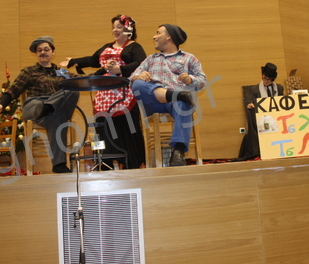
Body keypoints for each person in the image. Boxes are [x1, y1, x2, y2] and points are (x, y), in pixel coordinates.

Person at [60, 15, 147, 169]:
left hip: (124, 95)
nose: (115, 30)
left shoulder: (135, 47)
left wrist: (121, 69)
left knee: (126, 129)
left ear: (128, 29)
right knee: (103, 129)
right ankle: (105, 163)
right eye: (113, 27)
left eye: (119, 27)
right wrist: (73, 61)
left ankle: (131, 164)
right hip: (103, 96)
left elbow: (141, 63)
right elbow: (92, 60)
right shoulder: (106, 47)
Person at [0, 36, 79, 174]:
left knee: (72, 90)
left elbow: (81, 80)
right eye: (39, 50)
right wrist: (1, 105)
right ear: (36, 53)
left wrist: (101, 72)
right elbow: (14, 89)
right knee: (54, 115)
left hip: (54, 109)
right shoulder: (29, 71)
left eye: (46, 49)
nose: (43, 52)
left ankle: (59, 165)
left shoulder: (62, 72)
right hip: (35, 106)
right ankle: (46, 108)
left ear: (53, 52)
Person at [130, 24, 206, 167]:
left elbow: (203, 81)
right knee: (137, 84)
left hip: (176, 105)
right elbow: (132, 78)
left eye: (158, 33)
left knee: (184, 103)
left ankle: (178, 152)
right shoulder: (151, 59)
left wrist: (190, 79)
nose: (154, 37)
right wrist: (139, 76)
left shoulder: (189, 58)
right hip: (153, 103)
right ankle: (175, 95)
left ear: (168, 36)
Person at [238, 63, 283, 160]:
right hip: (262, 119)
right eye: (265, 78)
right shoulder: (255, 89)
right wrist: (250, 105)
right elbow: (250, 102)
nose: (266, 81)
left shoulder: (279, 88)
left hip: (276, 118)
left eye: (269, 79)